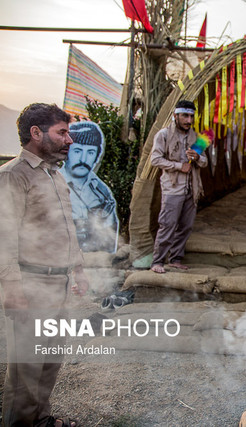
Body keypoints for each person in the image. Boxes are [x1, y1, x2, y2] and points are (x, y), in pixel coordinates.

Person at [0, 103, 88, 426]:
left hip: (59, 285)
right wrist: (12, 289)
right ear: (36, 134)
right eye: (62, 132)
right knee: (25, 373)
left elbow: (66, 227)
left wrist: (77, 269)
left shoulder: (54, 175)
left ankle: (41, 420)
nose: (69, 140)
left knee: (50, 362)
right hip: (31, 287)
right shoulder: (13, 176)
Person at [150, 100, 208, 274]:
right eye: (185, 116)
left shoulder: (197, 138)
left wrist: (197, 157)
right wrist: (178, 166)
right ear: (175, 116)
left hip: (192, 188)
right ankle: (158, 261)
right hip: (172, 188)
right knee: (167, 224)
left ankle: (175, 259)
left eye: (191, 116)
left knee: (186, 226)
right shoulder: (163, 135)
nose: (188, 120)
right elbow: (155, 159)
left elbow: (204, 162)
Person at [61, 121, 119, 253]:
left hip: (93, 260)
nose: (83, 159)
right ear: (67, 152)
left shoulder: (101, 191)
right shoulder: (52, 183)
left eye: (90, 152)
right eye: (77, 151)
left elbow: (109, 234)